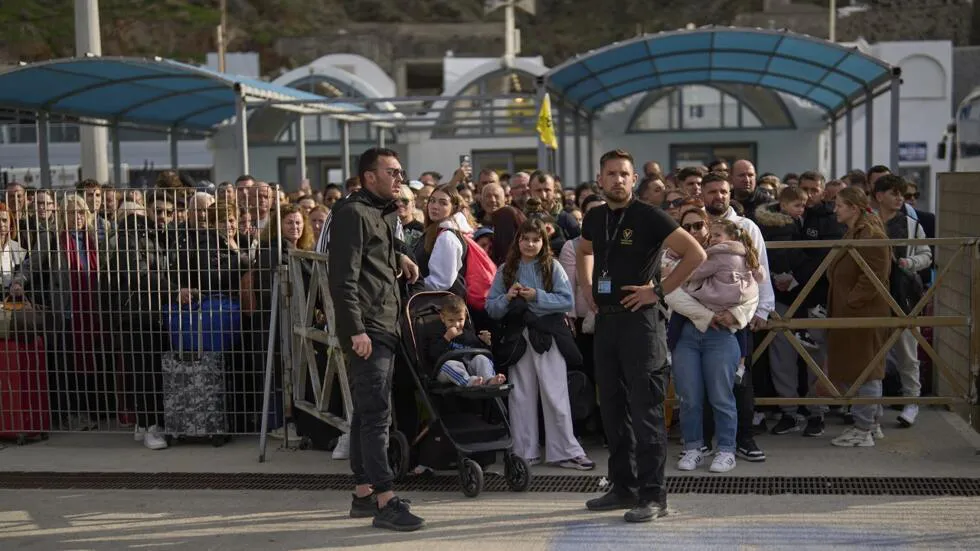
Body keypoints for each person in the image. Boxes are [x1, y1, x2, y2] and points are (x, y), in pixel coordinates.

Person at [578, 149, 706, 523]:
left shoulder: (649, 215)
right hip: (606, 324)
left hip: (641, 324)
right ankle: (623, 487)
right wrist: (586, 287)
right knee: (613, 408)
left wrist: (659, 291)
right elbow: (583, 251)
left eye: (624, 174)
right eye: (611, 173)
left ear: (634, 179)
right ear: (600, 179)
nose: (617, 179)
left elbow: (695, 253)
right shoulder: (595, 216)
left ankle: (653, 496)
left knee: (646, 410)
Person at [327, 147, 424, 531]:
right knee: (377, 416)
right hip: (369, 328)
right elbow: (343, 279)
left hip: (384, 323)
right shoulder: (352, 213)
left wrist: (401, 254)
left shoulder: (380, 211)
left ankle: (364, 493)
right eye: (392, 172)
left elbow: (377, 249)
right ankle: (385, 499)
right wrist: (356, 330)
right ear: (370, 176)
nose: (399, 178)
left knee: (367, 412)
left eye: (400, 172)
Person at [487, 218, 595, 471]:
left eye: (536, 240)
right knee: (520, 396)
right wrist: (508, 297)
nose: (530, 244)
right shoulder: (506, 270)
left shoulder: (552, 266)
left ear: (543, 242)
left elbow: (566, 301)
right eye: (525, 239)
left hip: (547, 336)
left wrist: (537, 296)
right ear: (518, 240)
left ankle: (565, 451)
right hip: (518, 338)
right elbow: (491, 307)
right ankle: (525, 451)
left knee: (555, 393)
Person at [665, 215, 762, 473]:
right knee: (689, 397)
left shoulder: (729, 256)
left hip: (722, 335)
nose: (694, 231)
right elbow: (671, 293)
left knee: (722, 396)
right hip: (686, 335)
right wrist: (708, 316)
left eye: (699, 226)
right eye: (687, 227)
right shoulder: (673, 255)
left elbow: (752, 294)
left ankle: (727, 450)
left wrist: (734, 315)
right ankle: (693, 448)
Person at [826, 187, 891, 447]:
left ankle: (864, 429)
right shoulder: (857, 231)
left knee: (866, 371)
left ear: (854, 208)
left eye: (840, 205)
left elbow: (873, 277)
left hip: (863, 314)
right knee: (860, 369)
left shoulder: (870, 234)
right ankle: (871, 424)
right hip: (854, 312)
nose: (835, 210)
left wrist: (850, 301)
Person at [423, 295, 505, 387]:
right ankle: (469, 382)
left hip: (467, 368)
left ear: (465, 316)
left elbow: (479, 352)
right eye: (451, 320)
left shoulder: (468, 334)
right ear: (442, 318)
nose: (456, 324)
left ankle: (489, 380)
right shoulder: (437, 333)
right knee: (450, 364)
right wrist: (446, 338)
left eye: (460, 319)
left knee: (481, 358)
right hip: (445, 371)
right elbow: (432, 355)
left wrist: (485, 343)